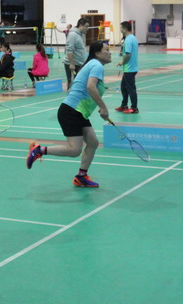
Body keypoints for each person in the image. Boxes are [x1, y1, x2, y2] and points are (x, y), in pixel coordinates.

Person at [26, 40, 112, 188]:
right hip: (71, 111)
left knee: (93, 142)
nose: (110, 52)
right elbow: (90, 86)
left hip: (78, 112)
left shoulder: (92, 64)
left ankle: (81, 177)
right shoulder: (96, 65)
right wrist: (103, 107)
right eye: (107, 50)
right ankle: (39, 150)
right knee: (74, 150)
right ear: (97, 53)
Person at [115, 21, 139, 113]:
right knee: (124, 88)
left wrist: (122, 62)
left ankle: (134, 108)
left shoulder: (129, 40)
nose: (120, 30)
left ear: (125, 29)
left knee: (131, 89)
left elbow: (128, 54)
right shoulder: (132, 38)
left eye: (121, 28)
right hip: (129, 68)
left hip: (130, 68)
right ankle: (124, 105)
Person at [64, 18, 89, 88]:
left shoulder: (82, 35)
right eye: (86, 26)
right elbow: (69, 50)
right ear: (80, 25)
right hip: (72, 64)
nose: (87, 28)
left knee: (80, 84)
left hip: (80, 63)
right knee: (73, 85)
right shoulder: (72, 35)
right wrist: (72, 63)